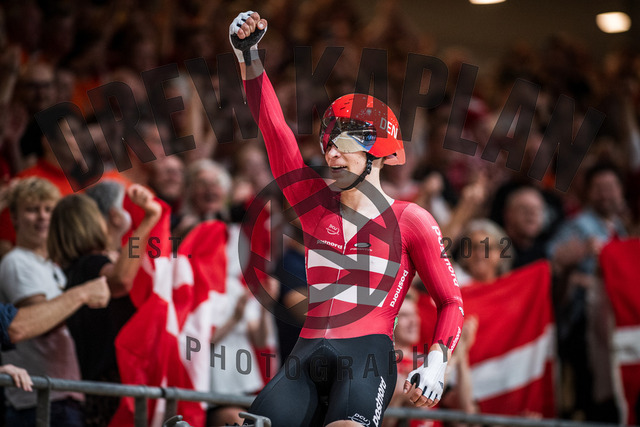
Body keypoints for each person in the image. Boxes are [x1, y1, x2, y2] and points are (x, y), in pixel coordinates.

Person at [230, 12, 464, 426]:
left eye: (343, 144)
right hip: (304, 356)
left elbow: (451, 302)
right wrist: (249, 59)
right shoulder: (312, 203)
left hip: (366, 358)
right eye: (328, 145)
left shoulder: (411, 219)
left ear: (377, 152)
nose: (331, 154)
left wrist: (436, 362)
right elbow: (275, 130)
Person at [47, 182, 161, 426]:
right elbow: (121, 280)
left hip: (102, 385)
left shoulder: (76, 268)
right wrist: (148, 221)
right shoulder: (90, 265)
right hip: (109, 389)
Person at [0, 176, 108, 426]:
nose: (42, 217)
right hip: (38, 400)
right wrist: (83, 294)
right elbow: (36, 323)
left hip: (59, 395)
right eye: (32, 209)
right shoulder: (16, 261)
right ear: (14, 217)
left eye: (49, 209)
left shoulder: (53, 267)